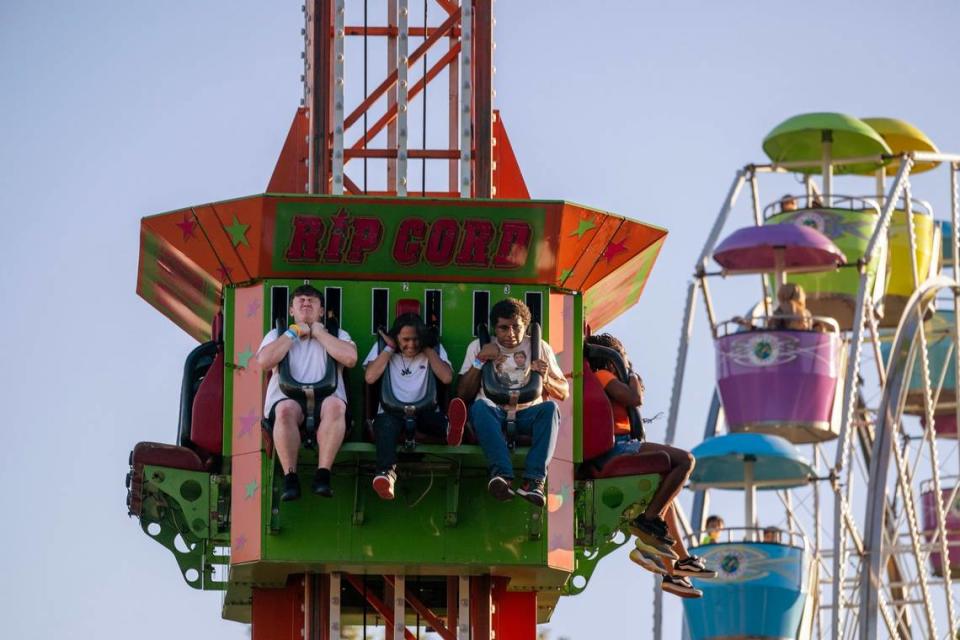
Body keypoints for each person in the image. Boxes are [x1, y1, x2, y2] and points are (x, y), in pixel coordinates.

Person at [584, 333, 716, 596]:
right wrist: (631, 375)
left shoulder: (609, 378)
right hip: (616, 447)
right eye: (623, 357)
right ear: (611, 359)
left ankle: (675, 568)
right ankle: (648, 522)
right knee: (684, 461)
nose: (628, 362)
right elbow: (634, 398)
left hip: (623, 445)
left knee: (668, 494)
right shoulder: (603, 376)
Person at [457, 298, 569, 507]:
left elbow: (564, 392)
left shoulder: (539, 347)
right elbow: (462, 393)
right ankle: (501, 475)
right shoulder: (478, 346)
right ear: (494, 328)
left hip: (527, 413)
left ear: (525, 326)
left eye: (516, 327)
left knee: (551, 409)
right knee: (480, 407)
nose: (510, 334)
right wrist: (480, 360)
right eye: (503, 328)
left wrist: (545, 378)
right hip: (492, 412)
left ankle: (534, 482)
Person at [255, 284, 358, 501]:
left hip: (327, 400)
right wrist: (293, 333)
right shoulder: (277, 334)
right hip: (287, 399)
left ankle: (323, 474)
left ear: (321, 310)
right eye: (300, 300)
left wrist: (320, 334)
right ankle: (290, 477)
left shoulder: (338, 334)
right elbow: (264, 361)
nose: (306, 302)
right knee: (284, 411)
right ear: (291, 310)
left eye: (312, 300)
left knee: (336, 407)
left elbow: (350, 358)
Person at [363, 312, 468, 500]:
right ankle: (386, 474)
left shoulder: (432, 349)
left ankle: (451, 431)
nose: (411, 345)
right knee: (385, 426)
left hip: (424, 411)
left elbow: (446, 377)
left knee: (435, 421)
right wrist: (389, 348)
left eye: (416, 339)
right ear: (396, 337)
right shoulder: (383, 348)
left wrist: (428, 348)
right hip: (391, 412)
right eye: (405, 339)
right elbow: (370, 377)